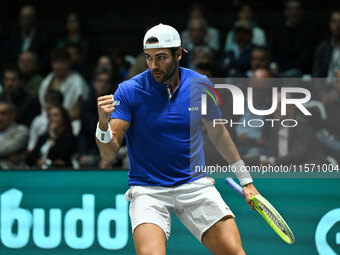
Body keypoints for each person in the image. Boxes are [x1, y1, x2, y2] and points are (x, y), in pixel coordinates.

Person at [96, 23, 259, 255]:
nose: (153, 65)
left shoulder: (200, 84)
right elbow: (108, 153)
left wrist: (246, 181)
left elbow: (219, 133)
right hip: (149, 190)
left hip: (194, 185)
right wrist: (102, 125)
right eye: (148, 58)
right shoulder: (128, 90)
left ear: (179, 54)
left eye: (161, 57)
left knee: (234, 252)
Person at [39, 47, 88, 121]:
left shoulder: (77, 82)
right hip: (46, 119)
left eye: (62, 61)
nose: (59, 66)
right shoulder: (47, 81)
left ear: (69, 62)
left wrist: (60, 120)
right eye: (55, 61)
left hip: (70, 121)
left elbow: (77, 112)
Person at [269, 0, 316, 77]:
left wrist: (283, 68)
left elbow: (306, 59)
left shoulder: (309, 31)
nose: (294, 12)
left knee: (292, 74)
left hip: (299, 70)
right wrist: (273, 65)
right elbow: (272, 51)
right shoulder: (277, 29)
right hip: (277, 69)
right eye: (290, 9)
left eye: (297, 9)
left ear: (302, 12)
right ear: (285, 12)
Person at [0, 100, 29, 169]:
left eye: (3, 114)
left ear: (12, 115)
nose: (0, 117)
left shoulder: (21, 130)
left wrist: (5, 154)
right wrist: (7, 156)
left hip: (13, 173)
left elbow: (4, 150)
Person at [313, 10, 340, 78]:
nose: (337, 25)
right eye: (334, 22)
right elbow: (316, 72)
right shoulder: (323, 48)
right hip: (325, 85)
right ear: (330, 24)